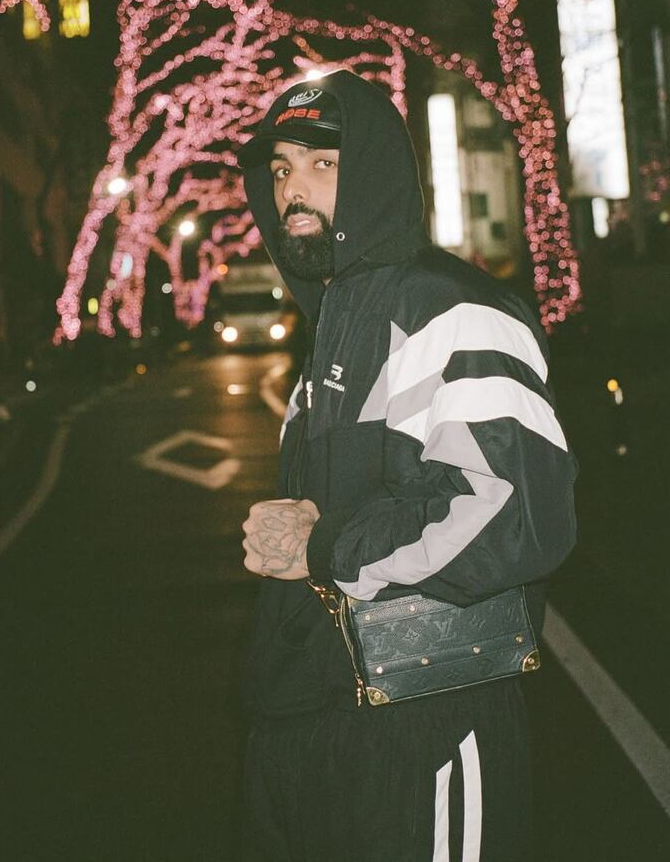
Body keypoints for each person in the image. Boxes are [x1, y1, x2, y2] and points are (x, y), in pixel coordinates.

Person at [237, 69, 577, 861]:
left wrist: (324, 545)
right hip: (309, 716)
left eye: (323, 163)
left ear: (376, 176)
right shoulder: (330, 328)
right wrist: (292, 533)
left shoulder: (453, 312)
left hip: (426, 723)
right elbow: (329, 515)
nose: (293, 190)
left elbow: (513, 518)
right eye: (280, 169)